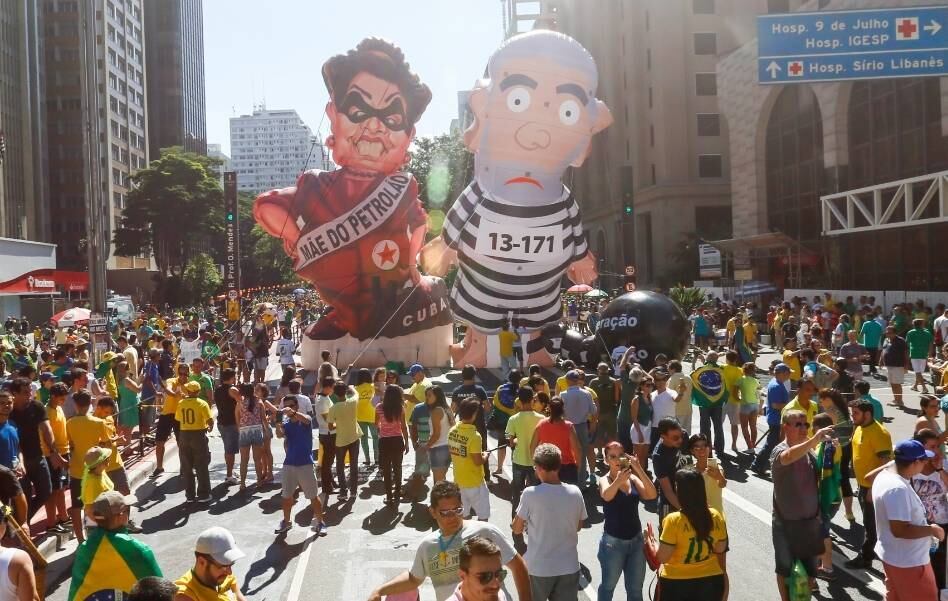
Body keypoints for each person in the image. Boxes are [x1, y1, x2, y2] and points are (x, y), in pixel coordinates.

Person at [366, 481, 530, 601]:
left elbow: (518, 566)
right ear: (433, 512)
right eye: (445, 512)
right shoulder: (428, 545)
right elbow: (414, 579)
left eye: (457, 510)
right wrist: (380, 590)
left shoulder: (484, 531)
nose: (453, 517)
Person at [771, 410, 834, 601]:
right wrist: (814, 440)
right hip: (786, 524)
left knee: (811, 571)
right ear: (785, 427)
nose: (803, 428)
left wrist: (829, 451)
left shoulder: (811, 451)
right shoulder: (779, 450)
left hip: (810, 522)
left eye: (805, 424)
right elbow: (788, 457)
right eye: (797, 424)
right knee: (785, 568)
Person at [512, 444, 587, 601]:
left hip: (539, 568)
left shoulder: (530, 494)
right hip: (569, 566)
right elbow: (578, 526)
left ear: (538, 468)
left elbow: (517, 529)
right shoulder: (575, 492)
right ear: (559, 465)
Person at [871, 439, 943, 601]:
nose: (926, 464)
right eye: (924, 460)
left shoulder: (885, 475)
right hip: (910, 563)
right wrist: (932, 530)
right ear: (915, 462)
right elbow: (900, 530)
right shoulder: (898, 489)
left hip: (894, 557)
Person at [645, 468, 728, 601]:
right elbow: (720, 548)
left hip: (677, 584)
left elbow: (663, 558)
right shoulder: (716, 516)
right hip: (711, 582)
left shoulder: (673, 520)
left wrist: (651, 542)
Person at [68, 491, 161, 601]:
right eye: (128, 510)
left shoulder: (84, 549)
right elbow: (161, 593)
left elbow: (76, 593)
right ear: (121, 516)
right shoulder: (138, 550)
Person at [597, 441, 656, 601]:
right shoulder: (605, 479)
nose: (617, 460)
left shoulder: (633, 479)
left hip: (636, 542)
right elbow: (607, 495)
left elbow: (651, 494)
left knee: (635, 590)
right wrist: (618, 481)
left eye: (621, 455)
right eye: (613, 456)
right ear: (606, 460)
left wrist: (637, 468)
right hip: (613, 544)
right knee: (608, 587)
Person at [846, 398, 893, 569]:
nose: (853, 417)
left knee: (871, 525)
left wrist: (872, 488)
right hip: (863, 485)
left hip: (873, 488)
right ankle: (873, 552)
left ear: (868, 413)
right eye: (852, 413)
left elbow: (886, 463)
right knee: (870, 523)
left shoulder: (879, 432)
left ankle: (865, 557)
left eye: (856, 414)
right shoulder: (859, 427)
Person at [273, 394, 327, 535]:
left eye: (291, 405)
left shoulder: (305, 420)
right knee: (286, 497)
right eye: (287, 406)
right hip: (289, 465)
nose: (289, 408)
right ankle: (286, 521)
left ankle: (320, 522)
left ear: (296, 406)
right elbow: (279, 435)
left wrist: (292, 413)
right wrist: (278, 422)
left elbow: (306, 420)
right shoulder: (287, 424)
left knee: (313, 497)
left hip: (305, 465)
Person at [908, 429, 948, 592]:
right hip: (919, 524)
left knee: (939, 566)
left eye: (938, 446)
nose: (937, 451)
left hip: (941, 523)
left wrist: (939, 470)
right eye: (932, 447)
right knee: (919, 564)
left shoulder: (943, 464)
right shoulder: (911, 466)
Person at [8, 377, 53, 515]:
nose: (29, 395)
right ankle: (21, 525)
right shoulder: (6, 411)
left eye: (30, 392)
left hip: (38, 457)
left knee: (46, 492)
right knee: (24, 497)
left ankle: (21, 520)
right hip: (17, 462)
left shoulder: (36, 406)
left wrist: (54, 452)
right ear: (14, 394)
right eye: (25, 392)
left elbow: (47, 430)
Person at [175, 527, 247, 601]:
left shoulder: (224, 576)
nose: (230, 572)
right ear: (202, 562)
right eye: (224, 566)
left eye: (230, 565)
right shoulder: (184, 595)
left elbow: (238, 595)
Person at [817, 388, 856, 521]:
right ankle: (849, 512)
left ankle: (828, 511)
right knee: (844, 478)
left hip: (835, 449)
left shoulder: (831, 412)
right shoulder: (844, 410)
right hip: (847, 446)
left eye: (823, 399)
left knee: (831, 478)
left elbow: (829, 432)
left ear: (830, 399)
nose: (821, 402)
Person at [505, 388, 543, 519]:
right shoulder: (542, 418)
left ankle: (515, 521)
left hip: (518, 461)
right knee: (535, 494)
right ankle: (533, 520)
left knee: (516, 493)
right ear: (533, 399)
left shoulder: (513, 419)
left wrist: (516, 440)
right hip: (536, 462)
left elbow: (510, 441)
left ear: (519, 401)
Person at [449, 399, 490, 520]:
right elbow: (478, 461)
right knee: (483, 517)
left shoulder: (452, 431)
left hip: (458, 481)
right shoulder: (475, 436)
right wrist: (485, 456)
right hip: (475, 482)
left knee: (464, 517)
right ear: (474, 414)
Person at [175, 381, 214, 504]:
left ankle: (190, 495)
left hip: (184, 435)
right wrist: (209, 428)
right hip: (198, 434)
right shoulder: (202, 403)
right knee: (201, 465)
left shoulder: (181, 403)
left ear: (188, 391)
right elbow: (210, 420)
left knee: (187, 466)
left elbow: (178, 418)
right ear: (198, 391)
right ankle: (203, 494)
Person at [530, 397, 581, 485]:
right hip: (567, 468)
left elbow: (532, 447)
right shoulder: (569, 426)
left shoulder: (541, 424)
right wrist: (578, 466)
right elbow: (577, 450)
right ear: (562, 408)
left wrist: (536, 466)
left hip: (545, 466)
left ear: (549, 407)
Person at [560, 370, 597, 486]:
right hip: (582, 427)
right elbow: (594, 411)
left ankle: (568, 481)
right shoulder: (587, 394)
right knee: (582, 455)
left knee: (567, 454)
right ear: (577, 380)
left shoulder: (563, 395)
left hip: (567, 428)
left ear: (568, 381)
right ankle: (581, 484)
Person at [327, 380, 362, 500]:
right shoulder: (352, 402)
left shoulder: (334, 408)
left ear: (335, 394)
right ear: (346, 392)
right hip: (354, 437)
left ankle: (343, 491)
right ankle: (353, 491)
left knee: (340, 466)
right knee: (354, 465)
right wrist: (351, 387)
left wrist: (339, 424)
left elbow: (331, 426)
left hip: (341, 440)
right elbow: (356, 393)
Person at [376, 384, 410, 506]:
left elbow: (376, 424)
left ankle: (389, 496)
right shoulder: (400, 408)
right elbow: (404, 427)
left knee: (386, 469)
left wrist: (382, 431)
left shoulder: (379, 407)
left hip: (384, 441)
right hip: (397, 440)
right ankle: (397, 493)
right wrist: (407, 443)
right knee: (397, 468)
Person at [154, 363, 188, 477]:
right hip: (167, 414)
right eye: (181, 373)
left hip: (180, 416)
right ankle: (159, 467)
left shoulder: (190, 385)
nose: (183, 376)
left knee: (181, 443)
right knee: (159, 442)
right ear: (178, 373)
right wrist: (175, 394)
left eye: (185, 373)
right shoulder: (171, 381)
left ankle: (184, 466)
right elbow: (167, 390)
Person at [652, 417, 686, 523]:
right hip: (669, 502)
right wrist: (686, 511)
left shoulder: (683, 435)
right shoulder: (659, 456)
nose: (680, 440)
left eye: (681, 435)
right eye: (675, 438)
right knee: (667, 533)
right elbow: (668, 491)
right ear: (663, 437)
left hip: (686, 494)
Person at [235, 384, 266, 493]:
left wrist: (240, 430)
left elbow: (237, 418)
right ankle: (259, 481)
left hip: (244, 431)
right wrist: (266, 430)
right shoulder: (259, 402)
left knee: (244, 459)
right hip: (257, 430)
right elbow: (263, 419)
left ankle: (243, 483)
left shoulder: (240, 402)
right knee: (258, 459)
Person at [213, 369, 241, 486]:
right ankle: (229, 475)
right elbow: (241, 401)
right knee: (230, 450)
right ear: (231, 377)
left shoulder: (218, 389)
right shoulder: (232, 389)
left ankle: (231, 471)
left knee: (227, 449)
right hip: (231, 423)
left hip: (221, 422)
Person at [489, 371, 520, 476]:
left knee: (501, 445)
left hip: (502, 422)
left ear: (509, 377)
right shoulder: (521, 390)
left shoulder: (501, 388)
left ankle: (499, 468)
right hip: (516, 423)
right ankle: (516, 472)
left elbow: (495, 403)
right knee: (515, 447)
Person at [687, 433, 726, 514]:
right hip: (696, 515)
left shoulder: (717, 467)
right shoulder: (689, 471)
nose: (701, 449)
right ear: (692, 451)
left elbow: (722, 484)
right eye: (697, 447)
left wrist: (719, 477)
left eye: (704, 445)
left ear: (710, 448)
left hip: (715, 516)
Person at [426, 385, 455, 484]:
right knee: (442, 481)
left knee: (438, 484)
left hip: (438, 449)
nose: (427, 398)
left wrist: (426, 446)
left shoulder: (436, 411)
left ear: (437, 396)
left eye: (429, 395)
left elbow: (436, 434)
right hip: (449, 447)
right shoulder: (447, 408)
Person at [313, 376, 336, 497]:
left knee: (329, 461)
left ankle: (330, 482)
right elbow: (328, 420)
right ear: (327, 387)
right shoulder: (322, 400)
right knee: (327, 462)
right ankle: (327, 487)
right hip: (327, 433)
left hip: (327, 433)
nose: (333, 390)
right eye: (332, 387)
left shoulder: (324, 397)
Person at [354, 368, 379, 467]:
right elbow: (377, 402)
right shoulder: (374, 387)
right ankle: (377, 459)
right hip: (373, 416)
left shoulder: (356, 389)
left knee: (363, 439)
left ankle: (367, 459)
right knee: (375, 438)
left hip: (360, 416)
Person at [881, 326, 910, 408]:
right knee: (892, 383)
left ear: (894, 333)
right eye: (886, 332)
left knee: (897, 384)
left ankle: (900, 401)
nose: (887, 334)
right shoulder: (886, 340)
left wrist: (906, 364)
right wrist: (881, 360)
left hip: (898, 365)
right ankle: (896, 400)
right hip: (888, 365)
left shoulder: (901, 341)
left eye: (889, 333)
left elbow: (906, 353)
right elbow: (883, 350)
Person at [907, 319, 934, 394]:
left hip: (914, 354)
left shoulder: (910, 332)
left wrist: (908, 353)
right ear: (921, 324)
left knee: (918, 372)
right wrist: (930, 354)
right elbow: (931, 344)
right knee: (919, 372)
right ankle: (915, 386)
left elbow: (907, 344)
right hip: (923, 354)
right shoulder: (927, 333)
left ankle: (924, 388)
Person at [666, 360, 693, 435]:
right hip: (688, 409)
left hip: (676, 411)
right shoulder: (688, 377)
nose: (668, 371)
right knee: (686, 434)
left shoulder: (672, 379)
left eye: (669, 369)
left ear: (673, 369)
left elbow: (669, 395)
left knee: (676, 434)